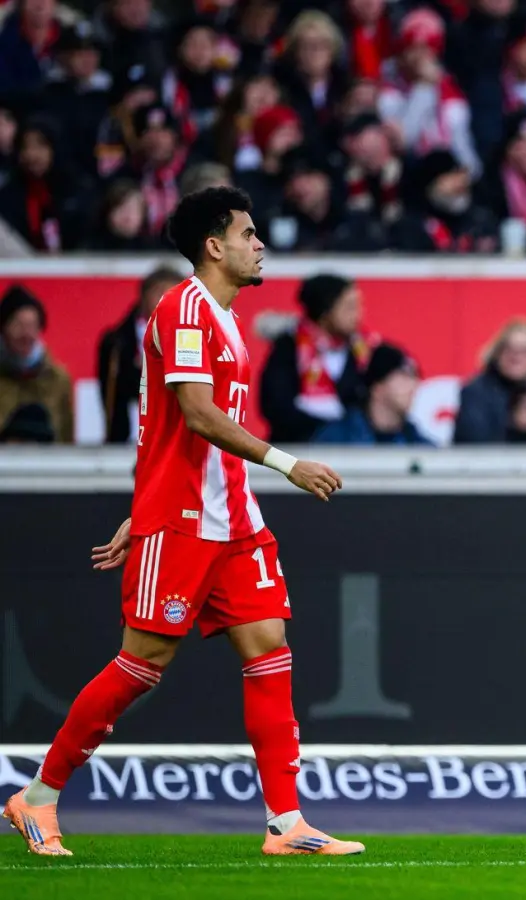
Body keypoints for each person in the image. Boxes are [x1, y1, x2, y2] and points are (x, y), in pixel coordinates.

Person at [2, 187, 359, 858]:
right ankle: (38, 795)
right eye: (249, 234)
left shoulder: (226, 319)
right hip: (188, 519)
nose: (261, 245)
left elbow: (163, 429)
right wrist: (286, 464)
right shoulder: (184, 310)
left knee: (268, 650)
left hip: (234, 520)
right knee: (143, 663)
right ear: (214, 245)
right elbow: (194, 415)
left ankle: (286, 823)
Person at [261, 273, 375, 444]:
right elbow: (275, 406)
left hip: (353, 449)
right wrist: (326, 429)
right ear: (326, 311)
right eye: (349, 307)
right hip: (297, 448)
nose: (358, 315)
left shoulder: (364, 349)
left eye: (359, 306)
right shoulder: (289, 347)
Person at [97, 266, 185, 444]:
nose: (166, 300)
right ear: (143, 297)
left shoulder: (196, 339)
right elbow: (111, 398)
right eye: (160, 292)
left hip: (178, 443)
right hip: (128, 441)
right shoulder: (116, 343)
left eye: (175, 294)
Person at [312, 344, 433, 445]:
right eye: (404, 376)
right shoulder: (335, 440)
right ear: (377, 387)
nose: (414, 385)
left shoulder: (419, 445)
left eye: (415, 377)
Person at [0, 285, 73, 444]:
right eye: (18, 325)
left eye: (32, 325)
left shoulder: (58, 380)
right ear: (4, 328)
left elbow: (67, 439)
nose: (26, 334)